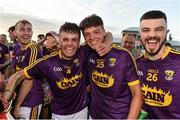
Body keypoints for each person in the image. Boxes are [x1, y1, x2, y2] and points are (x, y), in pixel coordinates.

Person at [2, 22, 112, 120]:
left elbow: (107, 34)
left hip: (81, 111)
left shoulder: (83, 52)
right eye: (65, 39)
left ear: (79, 43)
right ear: (59, 41)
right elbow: (18, 75)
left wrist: (107, 44)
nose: (70, 44)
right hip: (58, 114)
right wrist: (6, 96)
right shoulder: (47, 62)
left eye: (74, 40)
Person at [79, 14, 143, 119]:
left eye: (96, 32)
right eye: (87, 34)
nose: (92, 37)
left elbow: (137, 94)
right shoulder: (87, 52)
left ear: (104, 31)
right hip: (94, 115)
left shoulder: (123, 56)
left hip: (118, 116)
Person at [136, 10, 180, 119]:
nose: (152, 35)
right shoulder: (135, 64)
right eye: (146, 30)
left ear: (166, 32)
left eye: (159, 29)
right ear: (140, 34)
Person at [9, 20, 43, 119]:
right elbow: (16, 75)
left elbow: (29, 80)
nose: (26, 33)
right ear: (15, 33)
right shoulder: (18, 50)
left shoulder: (33, 50)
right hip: (20, 97)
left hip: (30, 100)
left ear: (32, 33)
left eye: (29, 30)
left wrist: (17, 105)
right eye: (22, 30)